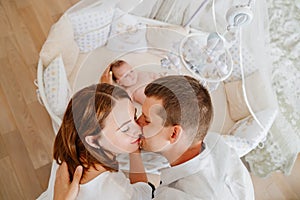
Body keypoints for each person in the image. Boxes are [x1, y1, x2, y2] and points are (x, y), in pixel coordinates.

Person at [54, 75, 254, 200]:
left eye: (145, 120)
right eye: (134, 117)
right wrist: (108, 103)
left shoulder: (171, 196)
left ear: (174, 133)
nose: (138, 125)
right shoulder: (217, 143)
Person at [38, 83, 153, 200]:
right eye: (125, 128)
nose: (139, 129)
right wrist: (135, 151)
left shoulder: (69, 145)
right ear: (93, 141)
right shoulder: (114, 190)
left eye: (134, 117)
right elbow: (144, 193)